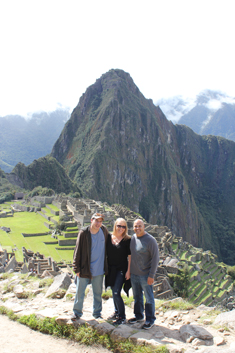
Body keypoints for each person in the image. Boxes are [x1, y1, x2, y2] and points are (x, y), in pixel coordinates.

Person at [71, 213, 109, 320]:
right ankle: (77, 312)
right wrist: (76, 268)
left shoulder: (104, 231)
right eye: (96, 221)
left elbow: (111, 243)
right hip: (85, 268)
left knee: (97, 293)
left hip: (99, 269)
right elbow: (77, 251)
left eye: (100, 221)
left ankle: (97, 313)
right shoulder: (84, 233)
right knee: (80, 292)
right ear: (91, 220)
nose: (98, 223)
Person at [128, 219, 159, 330]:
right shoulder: (133, 238)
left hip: (146, 275)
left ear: (144, 226)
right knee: (137, 297)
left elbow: (155, 259)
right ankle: (139, 316)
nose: (137, 228)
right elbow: (130, 255)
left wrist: (151, 275)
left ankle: (150, 320)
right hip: (134, 274)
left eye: (139, 226)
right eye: (135, 226)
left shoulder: (150, 240)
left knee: (149, 298)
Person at [105, 218, 131, 325]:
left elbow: (130, 257)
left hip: (121, 269)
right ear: (115, 225)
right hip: (110, 270)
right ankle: (116, 312)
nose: (121, 228)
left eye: (123, 226)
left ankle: (122, 317)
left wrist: (128, 271)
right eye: (119, 226)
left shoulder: (127, 240)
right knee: (112, 291)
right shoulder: (108, 237)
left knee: (116, 292)